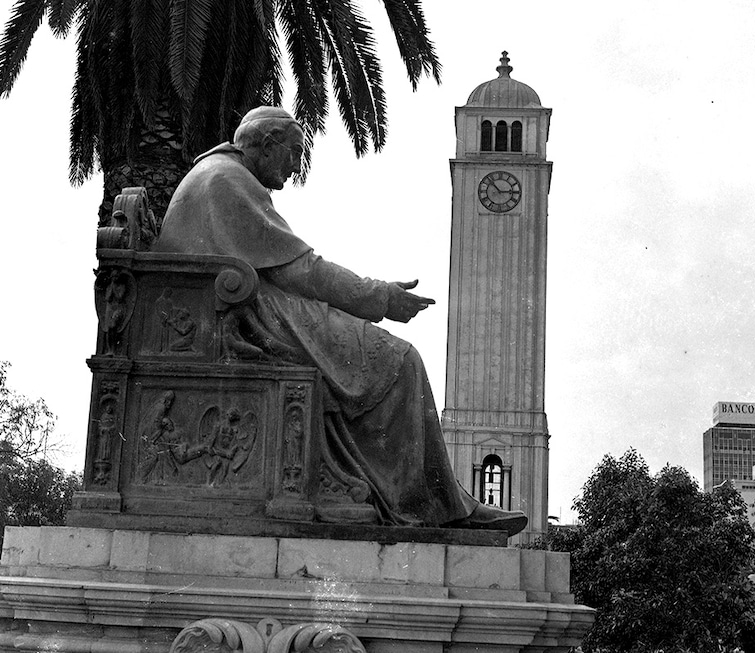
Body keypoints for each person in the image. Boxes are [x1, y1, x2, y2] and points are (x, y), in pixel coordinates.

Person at [154, 106, 527, 535]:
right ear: (268, 144)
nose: (296, 166)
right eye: (293, 153)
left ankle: (428, 499)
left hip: (236, 308)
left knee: (386, 359)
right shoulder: (228, 180)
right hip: (246, 315)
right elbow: (301, 270)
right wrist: (379, 297)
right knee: (400, 361)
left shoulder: (222, 175)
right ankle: (427, 506)